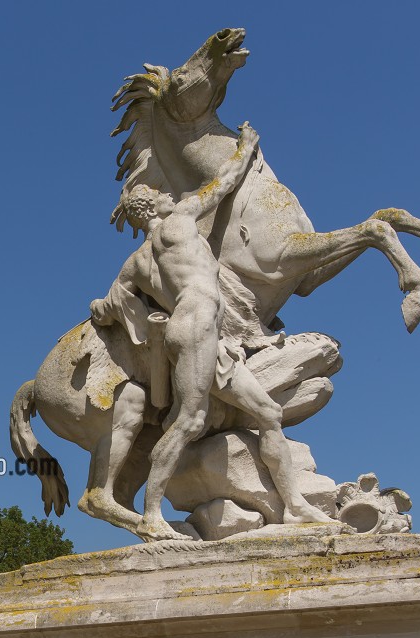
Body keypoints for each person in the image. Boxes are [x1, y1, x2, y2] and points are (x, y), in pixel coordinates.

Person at [109, 123, 330, 540]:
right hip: (196, 327)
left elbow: (109, 304)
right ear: (152, 207)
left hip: (209, 333)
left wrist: (119, 317)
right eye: (160, 194)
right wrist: (244, 149)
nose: (168, 194)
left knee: (269, 413)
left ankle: (296, 507)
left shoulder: (135, 263)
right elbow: (222, 185)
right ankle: (152, 514)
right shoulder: (179, 221)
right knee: (189, 421)